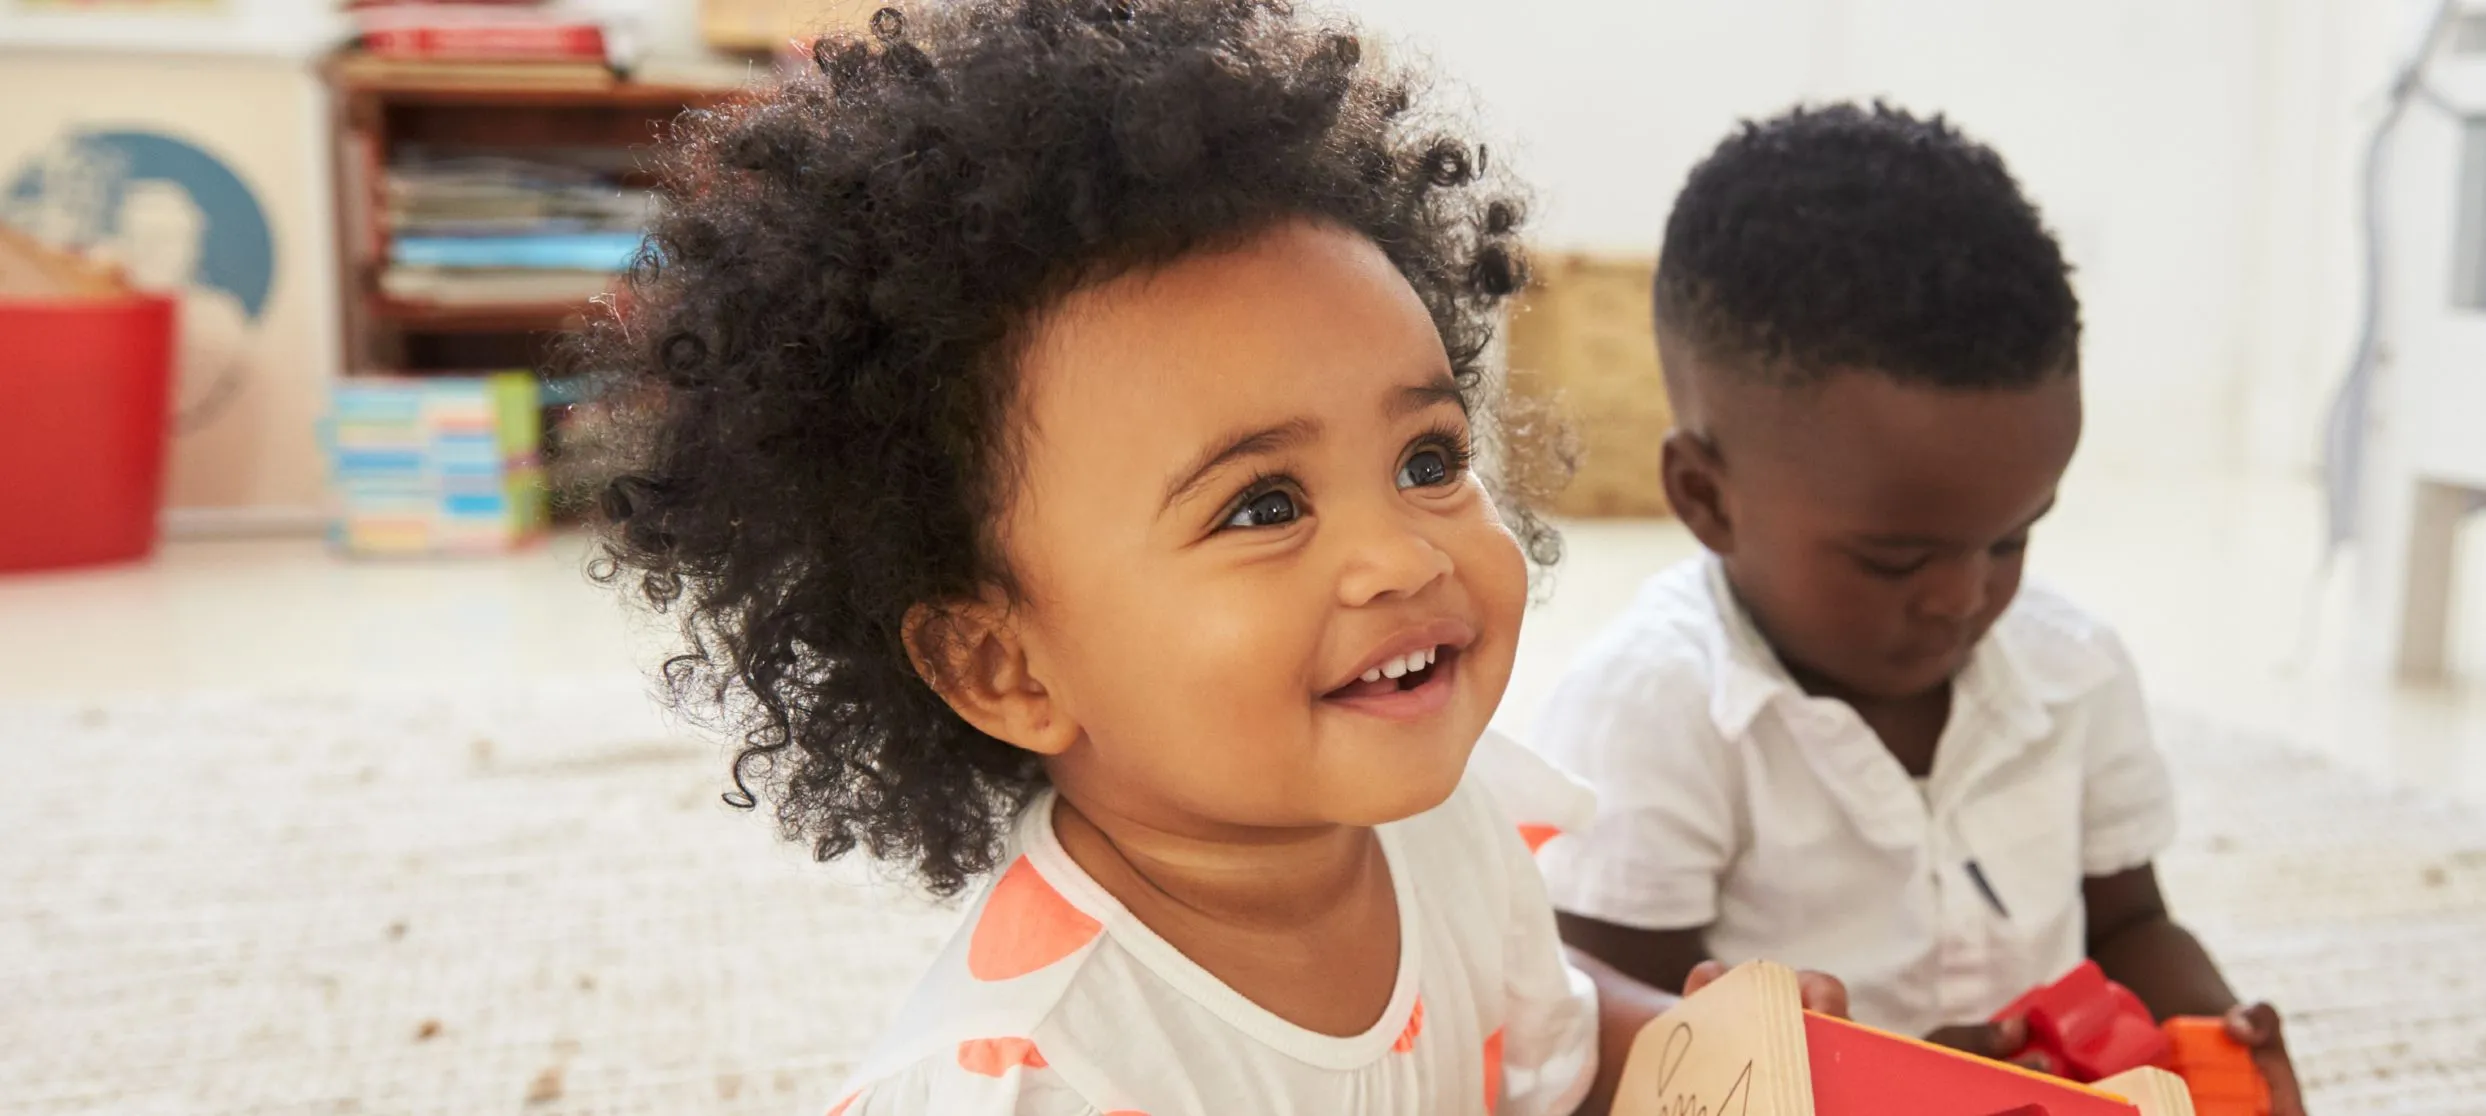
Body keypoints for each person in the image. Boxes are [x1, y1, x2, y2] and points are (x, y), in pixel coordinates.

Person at [576, 4, 1838, 1114]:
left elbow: (1549, 1065)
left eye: (1426, 460)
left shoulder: (1442, 825)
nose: (1398, 556)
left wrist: (1707, 1059)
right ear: (1003, 663)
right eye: (1261, 505)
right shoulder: (1042, 1081)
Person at [1534, 103, 2306, 1115]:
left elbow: (2127, 927)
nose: (1963, 595)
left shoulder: (2071, 669)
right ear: (1706, 500)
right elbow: (1591, 1020)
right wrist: (1900, 1086)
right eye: (1895, 558)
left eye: (2011, 537)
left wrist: (2216, 1035)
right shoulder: (1657, 707)